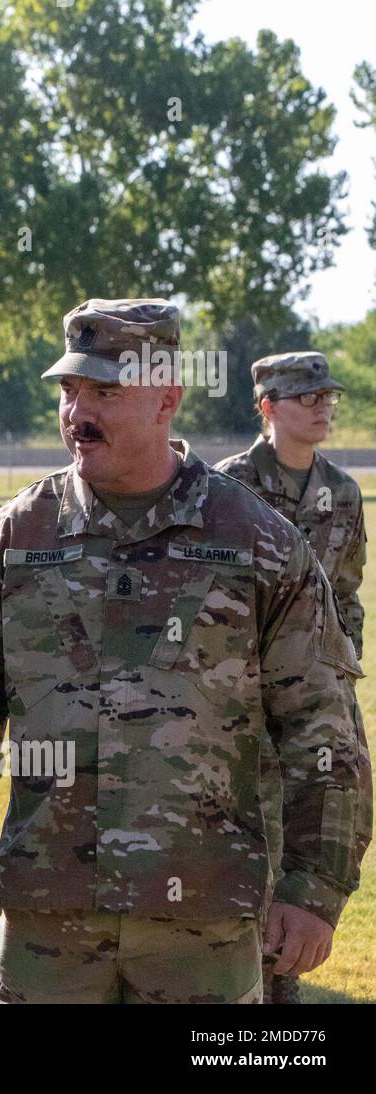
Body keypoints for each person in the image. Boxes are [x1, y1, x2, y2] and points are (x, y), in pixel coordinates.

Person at [0, 298, 371, 1004]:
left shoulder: (258, 543)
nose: (78, 412)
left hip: (208, 925)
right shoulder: (12, 542)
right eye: (70, 390)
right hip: (49, 924)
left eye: (105, 391)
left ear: (168, 397)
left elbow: (324, 728)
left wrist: (314, 887)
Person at [215, 351, 366, 1005]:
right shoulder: (229, 486)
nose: (323, 406)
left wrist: (339, 678)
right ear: (269, 406)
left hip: (316, 696)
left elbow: (350, 596)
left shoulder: (344, 490)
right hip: (244, 698)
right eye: (307, 398)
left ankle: (283, 979)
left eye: (327, 395)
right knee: (252, 836)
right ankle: (246, 977)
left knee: (331, 820)